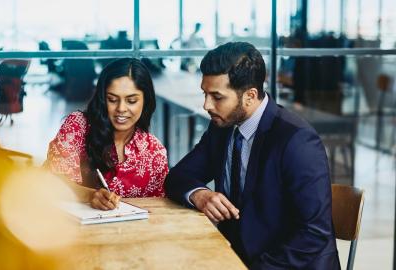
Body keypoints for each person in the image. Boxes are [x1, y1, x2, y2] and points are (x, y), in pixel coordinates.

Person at [164, 42, 341, 269]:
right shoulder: (222, 127)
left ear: (250, 95)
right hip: (234, 258)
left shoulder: (297, 141)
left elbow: (313, 234)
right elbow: (177, 177)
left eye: (217, 96)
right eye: (205, 94)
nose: (206, 105)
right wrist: (200, 194)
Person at [44, 58, 168, 210]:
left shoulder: (155, 152)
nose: (121, 108)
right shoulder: (77, 126)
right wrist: (90, 195)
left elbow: (157, 210)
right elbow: (53, 183)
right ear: (103, 99)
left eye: (131, 100)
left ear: (146, 100)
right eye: (112, 99)